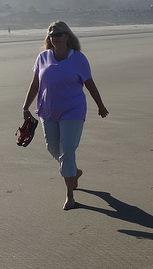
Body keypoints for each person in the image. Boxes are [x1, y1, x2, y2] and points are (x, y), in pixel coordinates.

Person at [22, 21, 109, 210]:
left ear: (67, 36)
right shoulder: (43, 57)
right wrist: (25, 107)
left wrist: (100, 105)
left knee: (67, 150)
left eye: (59, 34)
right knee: (53, 149)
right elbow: (35, 84)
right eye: (52, 34)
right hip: (48, 111)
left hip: (73, 111)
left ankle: (70, 195)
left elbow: (90, 84)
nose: (55, 37)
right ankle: (74, 172)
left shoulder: (78, 59)